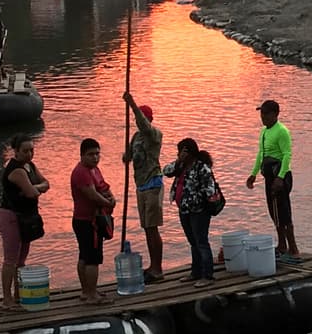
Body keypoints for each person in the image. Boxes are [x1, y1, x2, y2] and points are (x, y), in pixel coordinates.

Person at [0, 134, 49, 312]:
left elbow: (46, 183)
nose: (29, 154)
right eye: (25, 151)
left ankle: (19, 295)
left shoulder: (30, 166)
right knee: (10, 259)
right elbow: (31, 193)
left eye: (32, 150)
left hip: (26, 217)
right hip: (11, 216)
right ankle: (7, 299)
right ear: (16, 152)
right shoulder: (17, 170)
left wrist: (36, 187)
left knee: (22, 259)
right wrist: (36, 188)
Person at [245, 100, 297, 256]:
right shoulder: (264, 132)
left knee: (284, 211)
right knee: (273, 211)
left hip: (280, 176)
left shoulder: (282, 131)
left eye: (266, 113)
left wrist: (280, 178)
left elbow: (287, 155)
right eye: (262, 113)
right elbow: (261, 154)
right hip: (269, 176)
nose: (263, 117)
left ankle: (293, 247)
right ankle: (282, 244)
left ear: (275, 114)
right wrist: (253, 174)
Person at [164, 138, 218, 287]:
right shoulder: (180, 166)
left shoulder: (202, 167)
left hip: (199, 211)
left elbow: (209, 189)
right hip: (184, 210)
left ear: (189, 152)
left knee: (201, 241)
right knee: (193, 242)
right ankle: (196, 272)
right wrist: (178, 161)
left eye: (181, 151)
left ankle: (207, 275)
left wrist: (195, 200)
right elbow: (166, 171)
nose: (179, 154)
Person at [122, 91, 165, 282]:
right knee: (147, 227)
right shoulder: (136, 137)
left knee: (153, 227)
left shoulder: (154, 134)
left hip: (153, 183)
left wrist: (132, 103)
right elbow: (129, 156)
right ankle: (152, 265)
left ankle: (158, 268)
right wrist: (126, 157)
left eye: (140, 118)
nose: (137, 122)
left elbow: (143, 125)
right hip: (140, 185)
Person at [71, 138, 115, 303]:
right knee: (92, 259)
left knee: (85, 256)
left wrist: (112, 198)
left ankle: (88, 290)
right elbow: (92, 194)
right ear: (82, 155)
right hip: (86, 220)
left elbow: (103, 187)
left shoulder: (95, 170)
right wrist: (107, 202)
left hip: (93, 218)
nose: (95, 157)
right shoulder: (81, 172)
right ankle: (90, 295)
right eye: (91, 155)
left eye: (97, 154)